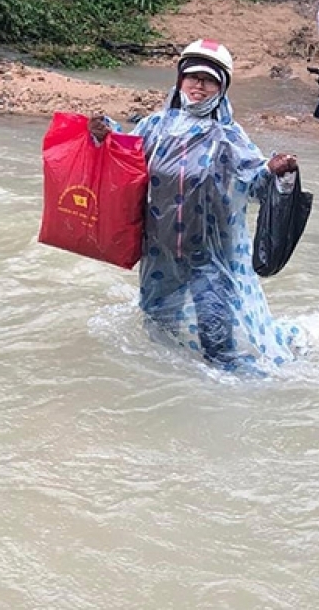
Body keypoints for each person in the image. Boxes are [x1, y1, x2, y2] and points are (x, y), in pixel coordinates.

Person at [88, 39, 302, 371]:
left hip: (210, 259)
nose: (199, 86)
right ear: (180, 81)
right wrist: (104, 135)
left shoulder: (229, 137)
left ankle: (246, 396)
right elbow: (124, 158)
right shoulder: (155, 127)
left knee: (218, 345)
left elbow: (256, 183)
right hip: (159, 253)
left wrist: (274, 171)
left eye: (208, 80)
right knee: (158, 331)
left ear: (222, 87)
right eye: (192, 78)